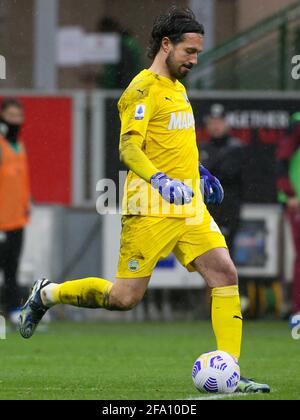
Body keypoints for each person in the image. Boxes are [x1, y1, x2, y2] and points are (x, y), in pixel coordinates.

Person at [19, 7, 269, 394]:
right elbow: (129, 149)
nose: (194, 60)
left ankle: (230, 371)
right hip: (149, 207)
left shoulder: (178, 88)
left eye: (198, 52)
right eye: (189, 51)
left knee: (224, 273)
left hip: (188, 206)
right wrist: (161, 180)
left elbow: (174, 144)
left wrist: (201, 174)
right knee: (124, 298)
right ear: (166, 45)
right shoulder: (141, 89)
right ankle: (48, 293)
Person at [200, 103, 245, 253]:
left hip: (228, 210)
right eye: (212, 122)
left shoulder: (235, 147)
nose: (216, 126)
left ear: (227, 124)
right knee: (206, 254)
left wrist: (208, 171)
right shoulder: (202, 148)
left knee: (226, 251)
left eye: (219, 122)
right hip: (206, 210)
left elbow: (228, 173)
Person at [0, 98, 30, 319]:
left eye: (18, 116)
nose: (16, 121)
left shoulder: (19, 146)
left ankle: (12, 310)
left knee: (12, 270)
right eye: (11, 116)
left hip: (17, 220)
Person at [277, 112, 300, 320]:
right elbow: (282, 160)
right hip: (297, 201)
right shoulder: (297, 123)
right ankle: (298, 310)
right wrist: (289, 194)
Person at [96, 17, 144, 89]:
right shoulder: (128, 41)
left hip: (121, 90)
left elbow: (118, 73)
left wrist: (101, 80)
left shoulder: (120, 45)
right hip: (133, 86)